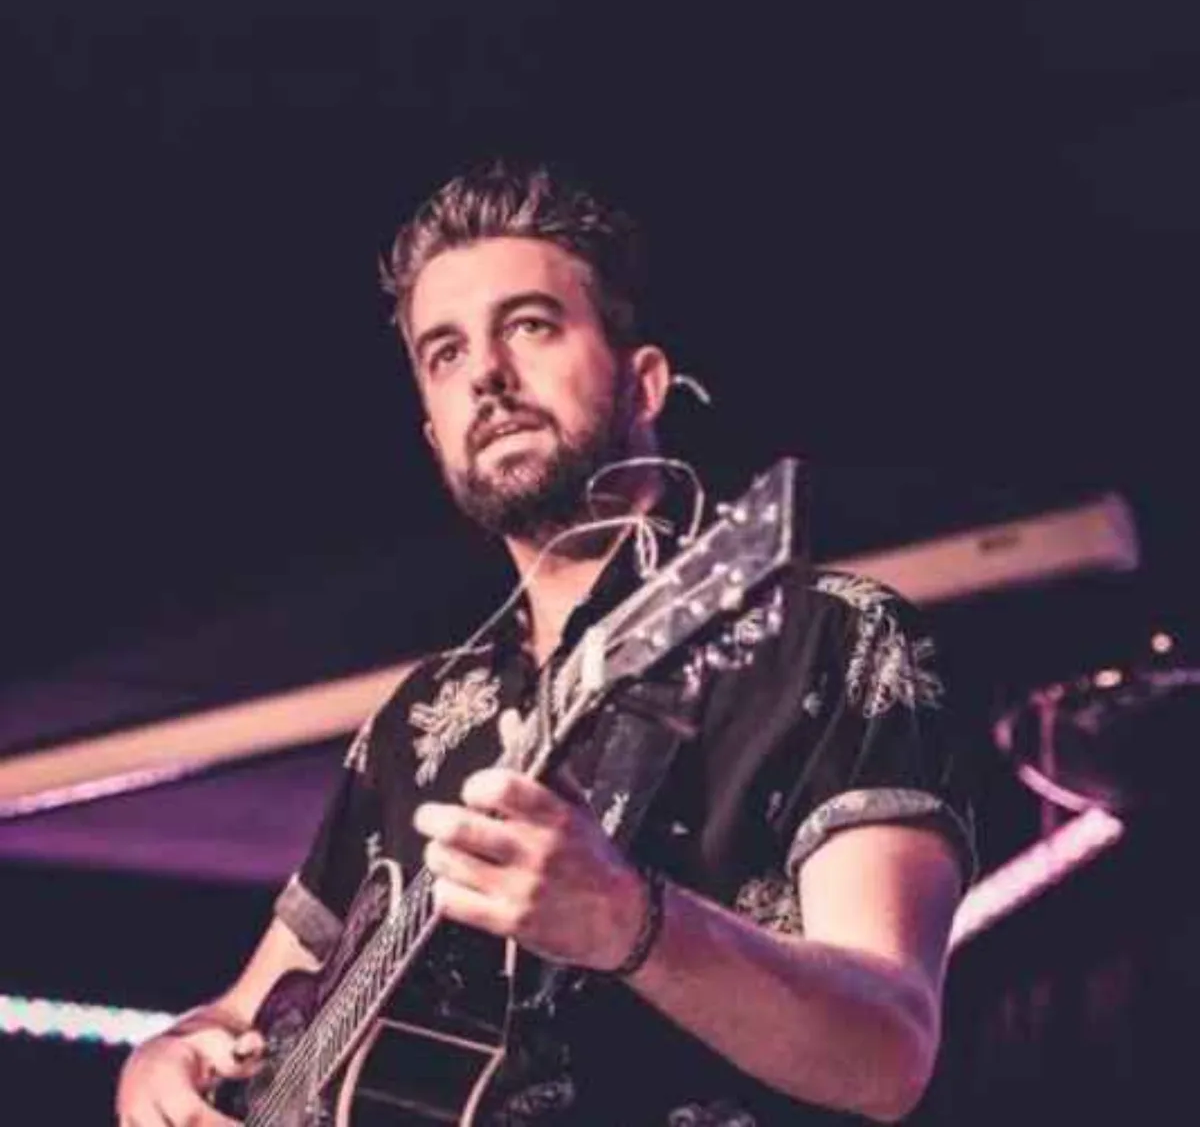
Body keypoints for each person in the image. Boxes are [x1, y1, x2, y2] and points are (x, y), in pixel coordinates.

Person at [115, 160, 976, 1126]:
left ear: (644, 381)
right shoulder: (416, 721)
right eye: (445, 352)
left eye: (529, 325)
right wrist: (165, 1054)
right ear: (432, 432)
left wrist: (629, 921)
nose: (486, 374)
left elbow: (889, 1052)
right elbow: (241, 1010)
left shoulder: (833, 634)